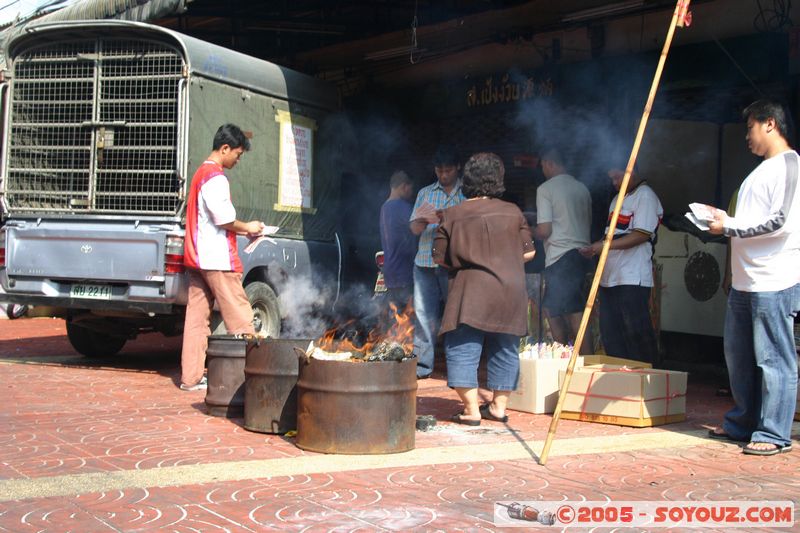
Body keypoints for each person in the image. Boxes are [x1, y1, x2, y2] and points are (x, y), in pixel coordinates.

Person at [707, 99, 799, 456]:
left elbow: (780, 222)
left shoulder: (789, 166)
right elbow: (751, 219)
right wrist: (721, 217)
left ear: (770, 124)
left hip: (774, 281)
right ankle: (743, 422)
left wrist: (728, 224)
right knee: (740, 357)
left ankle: (775, 433)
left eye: (750, 128)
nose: (746, 136)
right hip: (746, 282)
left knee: (774, 359)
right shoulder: (761, 170)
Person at [433, 152, 535, 425]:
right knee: (505, 347)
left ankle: (471, 410)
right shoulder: (513, 212)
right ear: (498, 180)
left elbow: (439, 258)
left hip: (471, 292)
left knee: (463, 347)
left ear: (467, 180)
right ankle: (498, 408)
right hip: (509, 290)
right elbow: (529, 253)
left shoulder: (452, 214)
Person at [180, 124, 265, 391]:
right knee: (241, 319)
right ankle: (254, 378)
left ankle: (191, 378)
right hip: (218, 259)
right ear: (224, 148)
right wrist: (249, 227)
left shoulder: (199, 174)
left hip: (197, 258)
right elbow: (225, 219)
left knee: (196, 320)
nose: (238, 160)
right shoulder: (215, 176)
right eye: (237, 155)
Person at [580, 166, 662, 365]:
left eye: (617, 177)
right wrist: (596, 247)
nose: (614, 183)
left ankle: (647, 377)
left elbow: (641, 235)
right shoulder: (617, 200)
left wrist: (605, 246)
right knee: (611, 333)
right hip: (611, 276)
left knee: (636, 333)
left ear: (632, 172)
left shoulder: (646, 196)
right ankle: (621, 377)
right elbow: (613, 235)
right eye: (612, 179)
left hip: (632, 276)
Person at [409, 145, 466, 379]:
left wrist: (450, 219)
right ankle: (422, 366)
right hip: (424, 263)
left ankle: (458, 369)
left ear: (458, 168)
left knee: (455, 316)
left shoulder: (467, 193)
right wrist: (424, 218)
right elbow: (413, 229)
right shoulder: (425, 193)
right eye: (439, 171)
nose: (443, 176)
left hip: (452, 264)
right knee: (423, 315)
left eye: (448, 171)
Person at [534, 147, 592, 353]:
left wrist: (524, 229)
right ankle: (564, 357)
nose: (543, 170)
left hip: (561, 256)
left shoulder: (546, 189)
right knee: (555, 309)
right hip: (581, 254)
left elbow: (544, 230)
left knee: (573, 312)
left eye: (543, 166)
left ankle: (583, 363)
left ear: (550, 163)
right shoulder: (582, 188)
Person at [379, 170, 417, 310]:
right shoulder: (402, 207)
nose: (411, 192)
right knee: (409, 316)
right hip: (404, 272)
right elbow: (418, 227)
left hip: (390, 272)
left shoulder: (385, 207)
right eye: (410, 188)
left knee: (397, 318)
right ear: (404, 186)